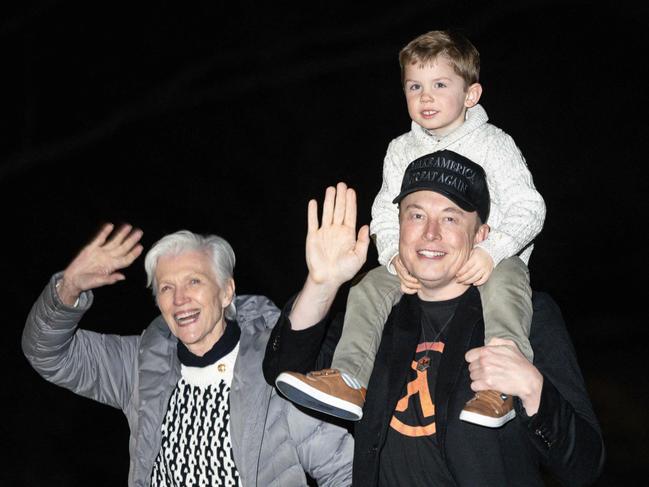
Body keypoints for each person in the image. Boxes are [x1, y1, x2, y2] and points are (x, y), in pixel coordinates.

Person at [267, 165, 604, 486]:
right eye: (416, 215)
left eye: (450, 217)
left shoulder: (527, 315)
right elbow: (282, 371)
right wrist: (322, 283)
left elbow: (585, 465)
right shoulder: (375, 318)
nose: (431, 233)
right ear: (398, 228)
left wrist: (534, 390)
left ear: (481, 235)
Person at [274, 29, 547, 426]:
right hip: (419, 259)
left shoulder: (494, 144)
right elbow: (385, 211)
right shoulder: (401, 149)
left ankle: (498, 386)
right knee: (368, 287)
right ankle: (349, 377)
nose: (426, 97)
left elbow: (530, 207)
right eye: (414, 86)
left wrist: (494, 250)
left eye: (440, 84)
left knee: (506, 289)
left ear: (470, 95)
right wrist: (391, 255)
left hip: (491, 258)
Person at [22, 220, 357, 486]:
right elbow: (47, 353)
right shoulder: (140, 363)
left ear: (226, 291)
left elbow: (344, 471)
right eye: (166, 288)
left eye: (194, 282)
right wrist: (69, 286)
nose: (179, 298)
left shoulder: (276, 368)